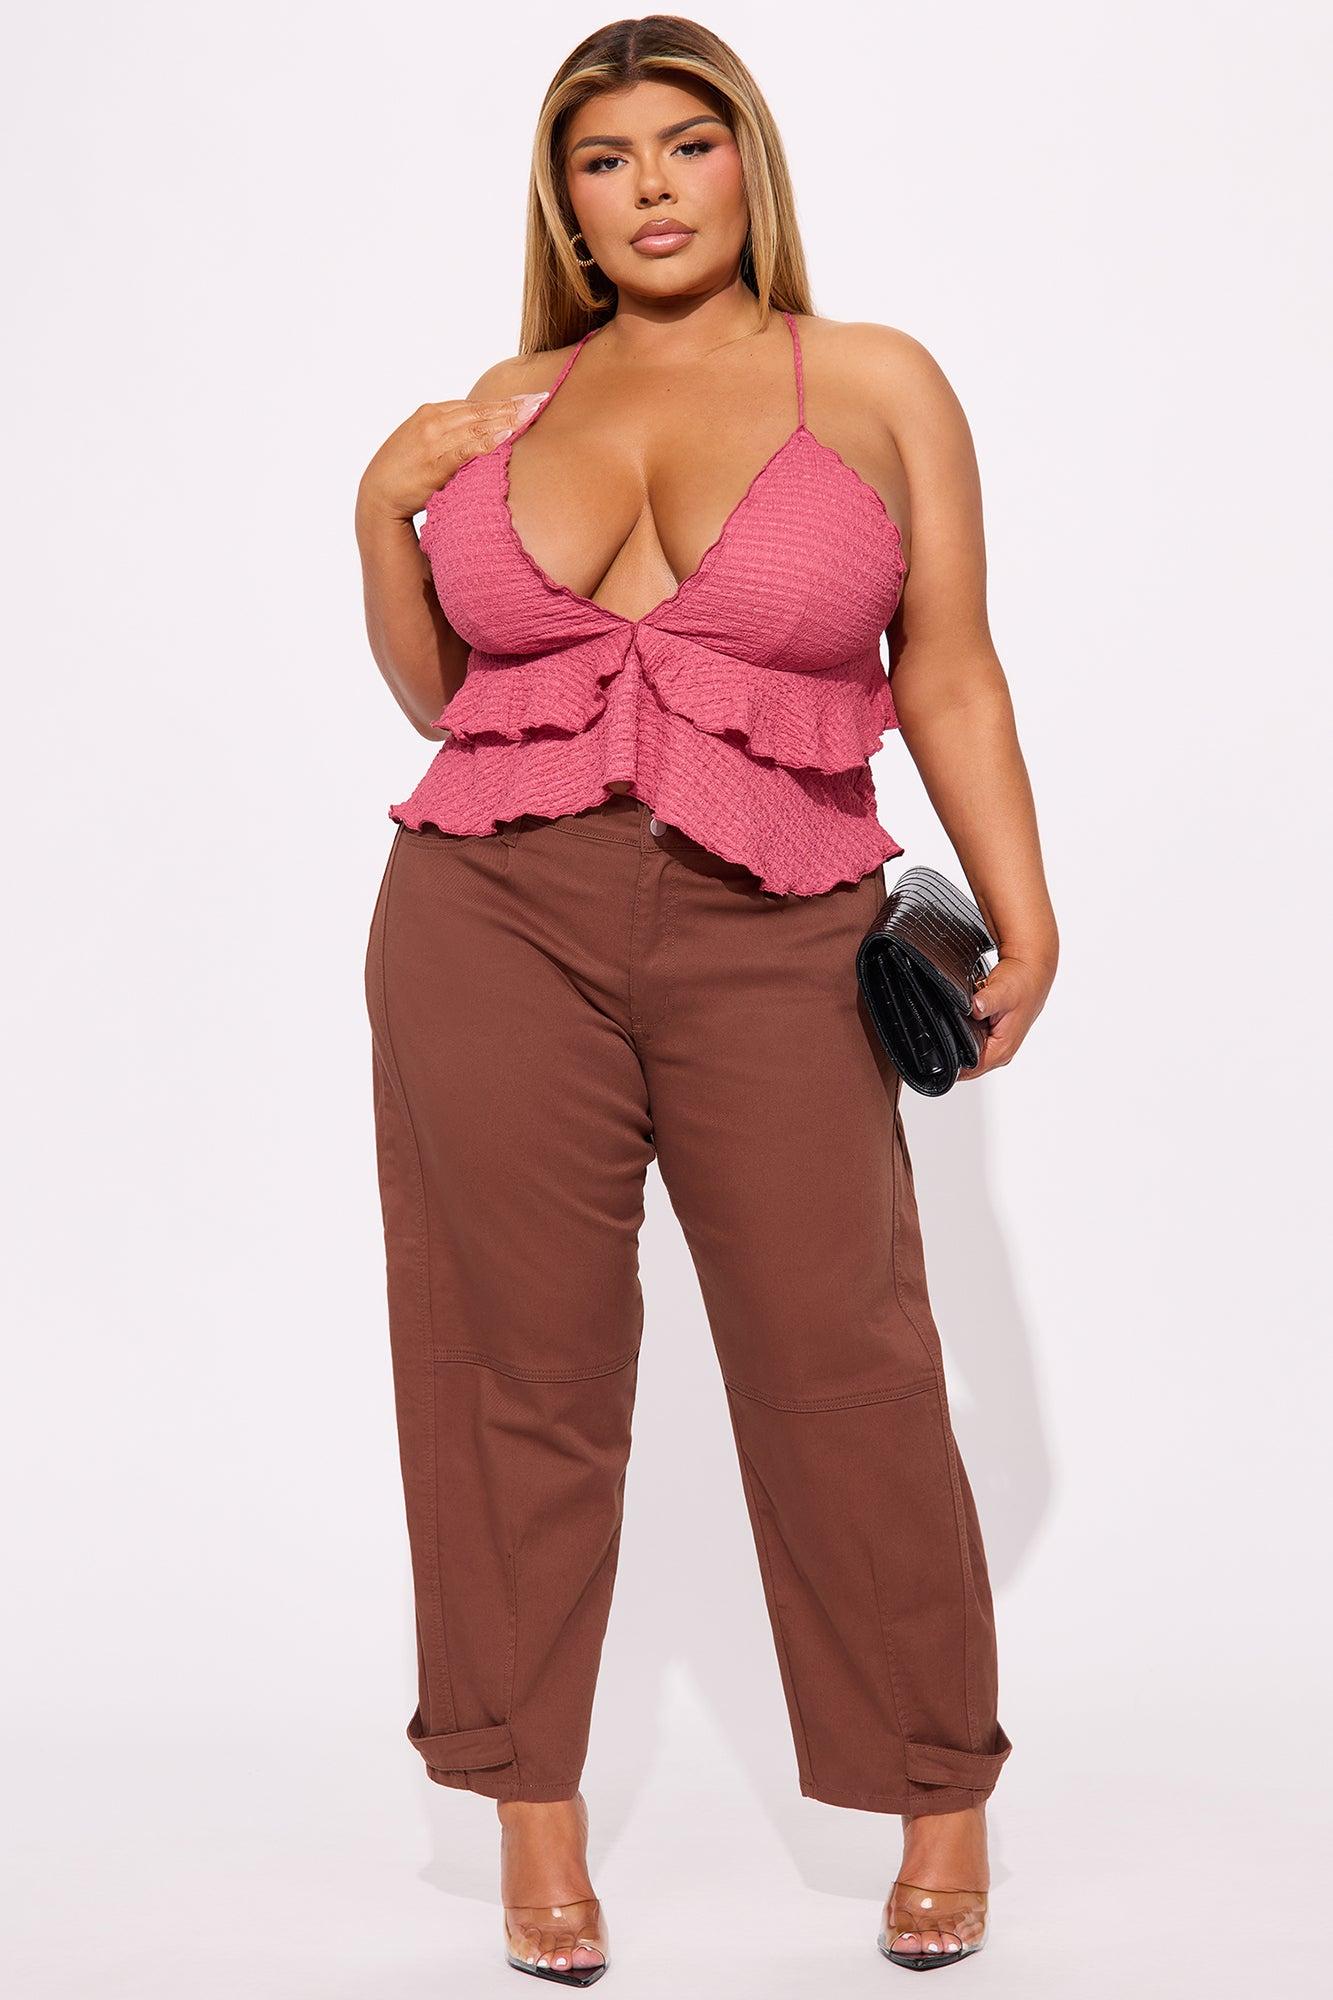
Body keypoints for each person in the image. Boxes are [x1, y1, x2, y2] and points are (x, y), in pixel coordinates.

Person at [354, 17, 1057, 1986]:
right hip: (487, 913)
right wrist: (373, 511)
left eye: (685, 143)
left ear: (747, 162)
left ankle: (936, 1788)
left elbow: (950, 667)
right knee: (514, 1368)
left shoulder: (874, 379)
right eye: (603, 159)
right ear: (563, 205)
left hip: (779, 920)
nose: (649, 186)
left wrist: (1024, 909)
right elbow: (437, 697)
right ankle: (532, 1814)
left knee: (842, 1354)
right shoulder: (505, 405)